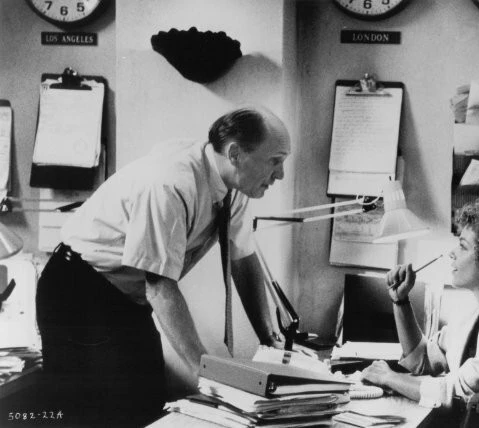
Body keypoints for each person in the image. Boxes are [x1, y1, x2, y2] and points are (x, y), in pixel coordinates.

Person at [35, 106, 290, 426]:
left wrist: (271, 341)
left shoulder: (234, 186)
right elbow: (160, 288)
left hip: (129, 298)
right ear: (236, 154)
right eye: (275, 161)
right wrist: (210, 377)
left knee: (146, 403)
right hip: (78, 292)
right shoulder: (170, 182)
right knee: (95, 415)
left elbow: (243, 258)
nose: (281, 174)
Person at [362, 199, 479, 411]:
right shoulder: (471, 313)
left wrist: (389, 377)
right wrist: (400, 301)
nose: (452, 252)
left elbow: (455, 392)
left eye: (463, 246)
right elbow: (423, 359)